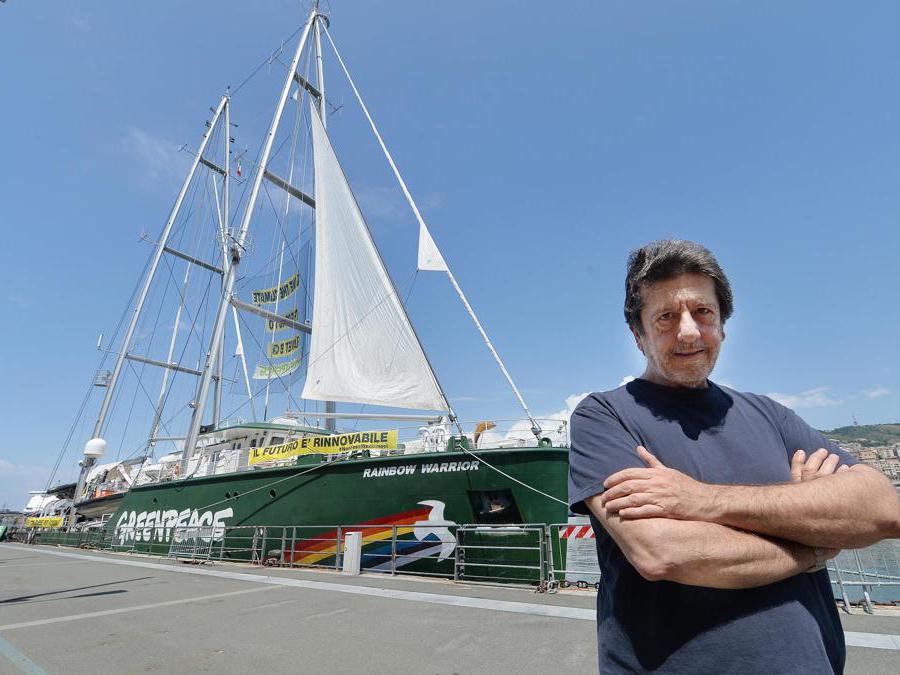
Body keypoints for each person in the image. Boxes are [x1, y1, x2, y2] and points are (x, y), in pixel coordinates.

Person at [568, 239, 900, 674]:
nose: (688, 331)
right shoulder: (605, 415)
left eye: (703, 313)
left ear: (722, 325)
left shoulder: (770, 415)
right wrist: (815, 547)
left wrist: (703, 501)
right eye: (666, 316)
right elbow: (664, 552)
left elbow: (883, 508)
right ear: (638, 333)